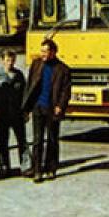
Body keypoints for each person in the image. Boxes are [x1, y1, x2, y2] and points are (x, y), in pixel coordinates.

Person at [22, 38, 72, 182]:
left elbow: (66, 91)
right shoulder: (36, 65)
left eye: (45, 51)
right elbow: (30, 85)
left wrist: (60, 106)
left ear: (53, 52)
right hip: (38, 107)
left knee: (52, 139)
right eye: (41, 51)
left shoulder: (63, 69)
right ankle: (37, 170)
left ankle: (51, 168)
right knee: (37, 140)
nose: (42, 54)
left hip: (52, 108)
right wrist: (27, 107)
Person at [0, 50, 29, 178]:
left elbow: (25, 95)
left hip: (17, 113)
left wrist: (26, 111)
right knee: (2, 142)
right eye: (7, 60)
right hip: (2, 114)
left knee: (22, 141)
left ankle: (25, 166)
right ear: (2, 60)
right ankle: (4, 167)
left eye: (12, 60)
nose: (10, 63)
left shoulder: (19, 75)